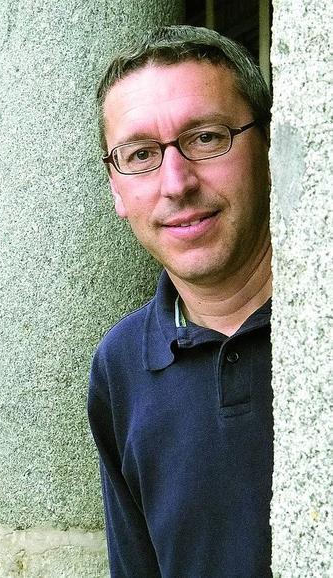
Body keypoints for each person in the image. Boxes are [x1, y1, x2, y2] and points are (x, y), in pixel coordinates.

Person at [88, 25, 273, 578]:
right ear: (117, 189)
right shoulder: (120, 365)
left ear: (268, 145)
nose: (176, 183)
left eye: (207, 138)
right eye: (141, 154)